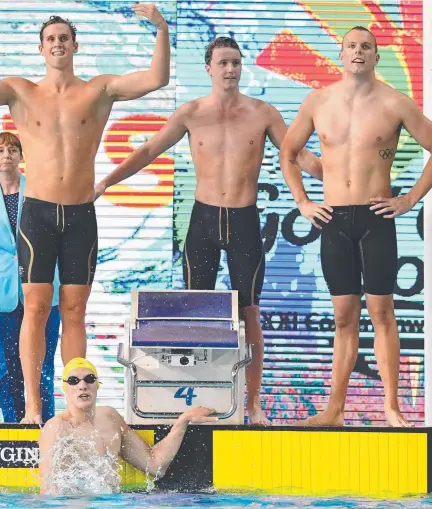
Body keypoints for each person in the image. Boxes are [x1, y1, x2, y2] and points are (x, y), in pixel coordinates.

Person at [94, 37, 322, 425]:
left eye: (235, 62)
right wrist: (105, 183)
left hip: (244, 221)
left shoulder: (263, 113)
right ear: (209, 68)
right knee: (194, 314)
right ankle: (193, 401)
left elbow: (296, 155)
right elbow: (148, 150)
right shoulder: (191, 113)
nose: (230, 69)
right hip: (202, 221)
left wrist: (342, 175)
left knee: (249, 314)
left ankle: (251, 404)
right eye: (223, 63)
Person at [0, 5, 170, 424]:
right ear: (41, 49)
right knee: (35, 309)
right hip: (38, 214)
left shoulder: (98, 90)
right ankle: (31, 409)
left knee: (75, 311)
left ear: (75, 46)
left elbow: (156, 79)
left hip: (80, 215)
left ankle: (74, 412)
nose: (58, 44)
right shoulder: (19, 90)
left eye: (64, 38)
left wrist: (161, 26)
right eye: (51, 39)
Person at [279, 26, 432, 427]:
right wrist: (303, 202)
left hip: (375, 218)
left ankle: (392, 408)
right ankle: (334, 410)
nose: (359, 52)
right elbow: (289, 151)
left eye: (367, 46)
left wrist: (410, 198)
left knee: (382, 311)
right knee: (344, 317)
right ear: (341, 55)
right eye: (352, 46)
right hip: (334, 219)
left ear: (376, 56)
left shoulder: (396, 103)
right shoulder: (319, 101)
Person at [0, 132, 61, 423]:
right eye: (0, 149)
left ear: (22, 156)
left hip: (42, 288)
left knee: (42, 367)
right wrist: (1, 271)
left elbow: (54, 237)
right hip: (0, 295)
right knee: (6, 370)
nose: (6, 154)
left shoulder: (39, 191)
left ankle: (46, 428)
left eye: (12, 149)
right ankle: (13, 428)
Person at [39, 357, 217, 495]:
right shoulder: (56, 428)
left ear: (97, 385)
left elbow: (155, 466)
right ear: (64, 387)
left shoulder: (110, 418)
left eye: (89, 379)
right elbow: (48, 490)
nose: (82, 386)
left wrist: (183, 421)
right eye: (73, 381)